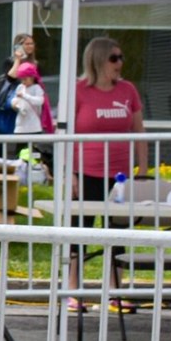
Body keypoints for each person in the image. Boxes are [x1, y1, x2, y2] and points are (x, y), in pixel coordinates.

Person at [65, 36, 148, 313]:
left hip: (121, 175)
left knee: (119, 231)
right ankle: (74, 289)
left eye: (121, 57)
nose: (119, 63)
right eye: (114, 58)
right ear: (98, 60)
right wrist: (70, 173)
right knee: (81, 230)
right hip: (87, 171)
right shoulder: (78, 91)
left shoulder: (128, 90)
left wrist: (144, 170)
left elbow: (139, 131)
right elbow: (66, 135)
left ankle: (115, 290)